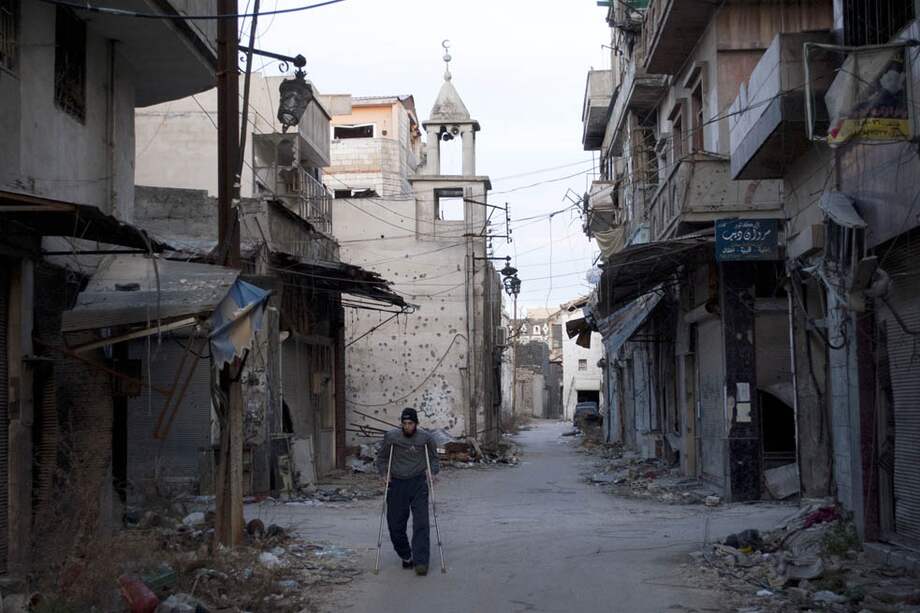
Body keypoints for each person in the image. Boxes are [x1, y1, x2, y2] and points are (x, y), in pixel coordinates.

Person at [375, 407, 440, 576]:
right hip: (397, 483)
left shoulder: (426, 438)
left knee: (421, 523)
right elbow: (382, 458)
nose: (407, 426)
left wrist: (432, 472)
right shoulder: (391, 437)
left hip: (418, 482)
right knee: (395, 525)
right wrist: (384, 473)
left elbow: (434, 458)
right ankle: (406, 555)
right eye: (404, 423)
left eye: (410, 423)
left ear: (416, 423)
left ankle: (421, 562)